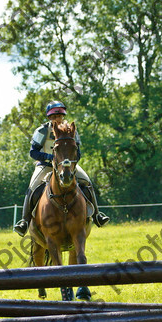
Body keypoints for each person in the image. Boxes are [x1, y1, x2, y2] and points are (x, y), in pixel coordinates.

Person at [13, 100, 110, 237]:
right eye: (53, 117)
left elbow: (78, 152)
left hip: (67, 167)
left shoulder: (71, 131)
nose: (57, 119)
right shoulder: (42, 131)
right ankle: (24, 222)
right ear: (49, 118)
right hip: (45, 166)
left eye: (59, 116)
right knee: (33, 187)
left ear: (63, 116)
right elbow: (33, 152)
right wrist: (50, 157)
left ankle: (97, 215)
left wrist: (70, 163)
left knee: (87, 182)